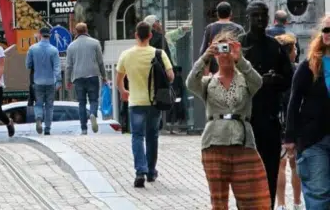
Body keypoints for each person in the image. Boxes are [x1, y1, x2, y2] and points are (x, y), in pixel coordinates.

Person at [186, 30, 269, 210]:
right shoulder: (208, 83)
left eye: (228, 49)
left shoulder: (245, 80)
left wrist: (240, 59)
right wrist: (204, 57)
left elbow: (259, 82)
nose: (224, 54)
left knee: (253, 199)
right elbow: (190, 83)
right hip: (213, 143)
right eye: (220, 50)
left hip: (243, 143)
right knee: (219, 201)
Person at [240, 0, 293, 209]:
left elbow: (288, 78)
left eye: (263, 16)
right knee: (244, 171)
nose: (260, 20)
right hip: (244, 120)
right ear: (248, 18)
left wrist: (274, 80)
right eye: (255, 16)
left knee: (269, 170)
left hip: (269, 119)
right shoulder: (239, 45)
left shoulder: (275, 47)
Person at [116, 20, 173, 188]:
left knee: (137, 136)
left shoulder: (126, 54)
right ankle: (151, 171)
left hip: (135, 102)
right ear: (150, 35)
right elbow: (171, 76)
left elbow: (119, 78)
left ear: (135, 35)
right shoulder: (159, 53)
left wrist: (123, 91)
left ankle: (139, 171)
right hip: (154, 102)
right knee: (152, 136)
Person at [284, 14, 330, 210]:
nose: (328, 34)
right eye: (326, 30)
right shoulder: (309, 65)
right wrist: (290, 138)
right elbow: (294, 101)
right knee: (319, 195)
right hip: (314, 139)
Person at [274, 33, 303, 210]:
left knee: (280, 165)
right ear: (290, 51)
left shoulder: (274, 72)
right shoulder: (297, 71)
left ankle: (281, 204)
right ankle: (298, 203)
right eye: (294, 48)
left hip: (278, 121)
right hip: (295, 123)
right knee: (295, 165)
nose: (296, 51)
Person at [65, 22, 106, 136]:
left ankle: (83, 128)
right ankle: (92, 113)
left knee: (81, 103)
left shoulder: (71, 46)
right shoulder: (95, 43)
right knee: (93, 100)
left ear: (76, 32)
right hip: (93, 75)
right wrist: (104, 76)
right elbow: (100, 62)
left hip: (78, 77)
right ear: (86, 30)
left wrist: (67, 81)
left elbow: (68, 66)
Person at [25, 25, 61, 135]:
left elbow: (28, 65)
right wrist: (58, 81)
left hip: (37, 81)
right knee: (49, 106)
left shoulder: (32, 48)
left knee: (38, 104)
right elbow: (57, 67)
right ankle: (47, 129)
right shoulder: (54, 50)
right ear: (49, 36)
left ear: (40, 35)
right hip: (50, 82)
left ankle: (39, 118)